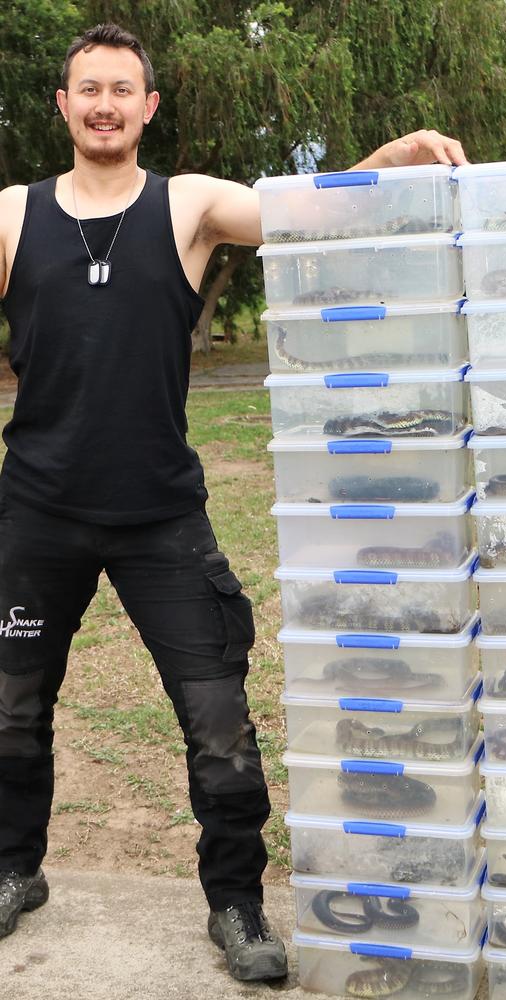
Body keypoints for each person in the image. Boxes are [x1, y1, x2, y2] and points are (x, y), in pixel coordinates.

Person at [0, 22, 468, 982]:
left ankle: (237, 903)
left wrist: (391, 160)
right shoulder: (12, 213)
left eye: (121, 90)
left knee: (218, 718)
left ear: (147, 106)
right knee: (9, 710)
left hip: (163, 516)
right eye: (86, 88)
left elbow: (306, 211)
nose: (103, 104)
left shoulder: (192, 205)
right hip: (36, 512)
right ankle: (13, 868)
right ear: (62, 104)